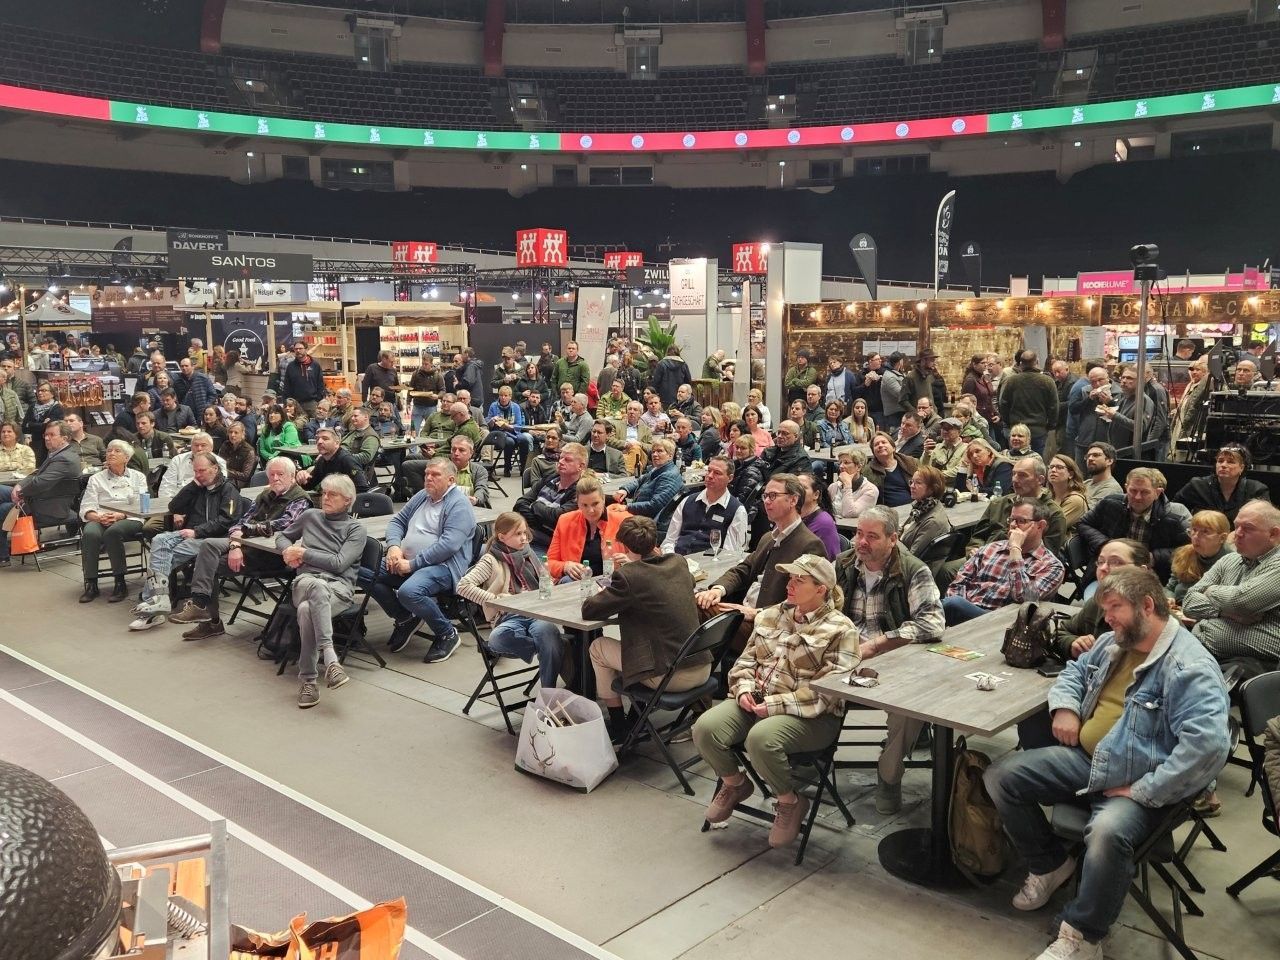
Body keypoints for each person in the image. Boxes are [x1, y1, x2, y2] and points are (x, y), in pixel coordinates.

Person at [984, 567, 1229, 960]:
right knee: (1001, 776)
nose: (1108, 616)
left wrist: (1146, 789)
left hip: (1140, 781)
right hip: (1089, 761)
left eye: (1115, 607)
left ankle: (1082, 936)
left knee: (1106, 833)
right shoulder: (1113, 642)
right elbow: (1073, 674)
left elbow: (1209, 748)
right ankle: (1050, 864)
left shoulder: (1189, 667)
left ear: (1147, 606)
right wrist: (1065, 708)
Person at [693, 553, 859, 847]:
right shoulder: (770, 615)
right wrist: (744, 690)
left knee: (761, 738)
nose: (789, 584)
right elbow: (743, 663)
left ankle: (789, 801)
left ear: (821, 589)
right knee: (705, 728)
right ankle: (734, 783)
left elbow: (828, 692)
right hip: (758, 702)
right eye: (790, 577)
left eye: (799, 580)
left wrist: (772, 705)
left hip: (812, 716)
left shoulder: (841, 629)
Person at [835, 506, 946, 813]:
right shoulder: (844, 564)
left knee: (911, 705)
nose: (861, 542)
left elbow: (933, 623)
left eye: (872, 536)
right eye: (859, 534)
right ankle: (807, 755)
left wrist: (880, 643)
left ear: (893, 539)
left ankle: (889, 773)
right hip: (844, 652)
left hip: (892, 657)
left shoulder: (912, 570)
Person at [581, 515, 708, 740]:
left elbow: (589, 610)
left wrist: (607, 591)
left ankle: (619, 724)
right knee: (640, 642)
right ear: (654, 541)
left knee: (598, 647)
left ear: (624, 545)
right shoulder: (678, 562)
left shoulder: (629, 576)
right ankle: (636, 717)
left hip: (669, 676)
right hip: (701, 665)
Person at [167, 456, 310, 641]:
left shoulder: (300, 499)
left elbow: (285, 524)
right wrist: (236, 542)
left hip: (269, 555)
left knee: (208, 566)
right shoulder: (264, 496)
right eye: (272, 474)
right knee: (209, 545)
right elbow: (241, 521)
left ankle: (210, 622)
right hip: (246, 544)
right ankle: (200, 606)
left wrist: (243, 533)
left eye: (280, 474)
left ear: (292, 476)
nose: (275, 478)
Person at [367, 457, 477, 660]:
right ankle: (405, 617)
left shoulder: (459, 505)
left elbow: (448, 546)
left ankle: (446, 633)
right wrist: (393, 547)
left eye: (435, 475)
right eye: (427, 474)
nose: (428, 478)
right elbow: (397, 521)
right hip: (407, 561)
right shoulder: (422, 496)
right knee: (362, 571)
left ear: (451, 480)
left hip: (443, 567)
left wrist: (412, 564)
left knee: (409, 592)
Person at [275, 474, 368, 708]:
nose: (325, 498)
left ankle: (308, 681)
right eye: (324, 493)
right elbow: (282, 536)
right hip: (306, 582)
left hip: (339, 590)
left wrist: (303, 554)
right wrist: (287, 551)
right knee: (315, 586)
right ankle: (330, 658)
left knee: (306, 610)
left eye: (332, 494)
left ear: (348, 500)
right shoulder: (310, 517)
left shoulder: (356, 530)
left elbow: (338, 563)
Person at [695, 474, 825, 630]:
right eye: (765, 496)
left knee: (693, 611)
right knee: (699, 600)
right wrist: (718, 590)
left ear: (793, 500)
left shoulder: (810, 545)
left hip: (770, 625)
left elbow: (805, 602)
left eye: (773, 496)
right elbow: (744, 569)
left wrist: (756, 613)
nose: (766, 501)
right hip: (743, 613)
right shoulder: (768, 538)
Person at [129, 453, 243, 630]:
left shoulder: (229, 490)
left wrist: (197, 531)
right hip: (189, 533)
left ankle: (154, 607)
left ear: (215, 468)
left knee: (161, 558)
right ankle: (159, 601)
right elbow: (174, 507)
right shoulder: (197, 487)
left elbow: (227, 520)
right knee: (159, 539)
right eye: (195, 471)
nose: (198, 475)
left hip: (211, 538)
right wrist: (193, 485)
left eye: (202, 471)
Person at [458, 511, 567, 691]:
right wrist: (496, 600)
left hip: (536, 612)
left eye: (525, 533)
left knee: (547, 630)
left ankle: (548, 693)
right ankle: (546, 647)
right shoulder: (491, 559)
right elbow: (463, 586)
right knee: (497, 639)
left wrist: (550, 585)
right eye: (518, 534)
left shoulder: (528, 553)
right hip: (508, 616)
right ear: (502, 537)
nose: (524, 538)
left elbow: (545, 580)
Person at [1181, 499, 1280, 669]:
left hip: (1257, 667)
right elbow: (1188, 602)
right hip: (1206, 656)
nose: (1237, 534)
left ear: (1273, 534)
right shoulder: (1229, 560)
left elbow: (1242, 602)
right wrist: (1223, 613)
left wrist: (1211, 591)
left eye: (1248, 528)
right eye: (1237, 526)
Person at [942, 497, 1065, 624]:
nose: (1012, 525)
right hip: (967, 612)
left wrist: (1015, 550)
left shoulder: (1052, 566)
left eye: (1021, 521)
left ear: (1040, 526)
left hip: (1001, 622)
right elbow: (958, 584)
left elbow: (1022, 598)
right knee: (942, 602)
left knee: (951, 604)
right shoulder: (990, 548)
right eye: (1011, 520)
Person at [1076, 467, 1190, 582]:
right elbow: (1084, 523)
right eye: (1133, 491)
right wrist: (1105, 544)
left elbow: (1189, 548)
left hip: (1154, 577)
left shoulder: (1175, 515)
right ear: (1126, 488)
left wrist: (1154, 557)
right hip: (1109, 573)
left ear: (1157, 493)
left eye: (1145, 492)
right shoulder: (1110, 503)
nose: (1137, 497)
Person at [76, 439, 148, 602]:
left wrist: (120, 515)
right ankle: (92, 584)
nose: (111, 454)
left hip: (130, 517)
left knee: (113, 533)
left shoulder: (138, 477)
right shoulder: (96, 479)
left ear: (127, 458)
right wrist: (98, 517)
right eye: (109, 451)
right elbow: (86, 507)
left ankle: (120, 582)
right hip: (100, 517)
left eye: (117, 451)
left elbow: (142, 504)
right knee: (90, 533)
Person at [547, 476, 630, 581]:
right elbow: (549, 563)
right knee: (566, 580)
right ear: (577, 503)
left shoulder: (624, 520)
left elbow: (650, 556)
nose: (591, 510)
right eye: (584, 505)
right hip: (578, 582)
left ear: (603, 499)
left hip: (615, 581)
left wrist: (631, 561)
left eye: (595, 504)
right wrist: (565, 566)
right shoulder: (565, 521)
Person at [1173, 442, 1271, 525]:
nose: (1223, 465)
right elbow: (1174, 511)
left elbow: (1265, 523)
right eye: (1220, 461)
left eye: (1230, 462)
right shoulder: (1197, 485)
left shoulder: (1256, 490)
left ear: (1242, 467)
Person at [515, 442, 588, 543]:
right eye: (560, 458)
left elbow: (557, 517)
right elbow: (520, 502)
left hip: (552, 542)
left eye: (567, 460)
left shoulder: (581, 491)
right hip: (529, 532)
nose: (561, 462)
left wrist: (535, 505)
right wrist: (537, 522)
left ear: (581, 466)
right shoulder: (550, 479)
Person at [997, 351, 1059, 457]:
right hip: (1038, 430)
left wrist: (1008, 423)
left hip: (1017, 430)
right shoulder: (1047, 381)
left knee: (1016, 461)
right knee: (1036, 462)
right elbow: (1054, 406)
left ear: (1021, 363)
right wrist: (1050, 425)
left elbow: (1003, 404)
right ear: (1037, 362)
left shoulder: (1012, 381)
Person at [1167, 510, 1232, 606]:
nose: (1196, 536)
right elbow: (1170, 588)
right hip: (1179, 611)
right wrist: (1169, 598)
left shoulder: (1232, 562)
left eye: (1205, 532)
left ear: (1222, 538)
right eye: (1194, 530)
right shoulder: (1184, 554)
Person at [613, 437, 682, 518]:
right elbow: (639, 481)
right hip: (639, 512)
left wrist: (627, 507)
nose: (655, 454)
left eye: (660, 451)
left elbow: (655, 506)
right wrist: (625, 490)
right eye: (653, 452)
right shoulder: (657, 469)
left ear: (670, 456)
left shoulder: (669, 475)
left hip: (647, 521)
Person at [296, 427, 369, 494]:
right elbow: (310, 485)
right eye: (317, 439)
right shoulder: (322, 460)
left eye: (325, 439)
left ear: (336, 443)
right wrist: (302, 478)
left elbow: (362, 488)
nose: (319, 442)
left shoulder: (346, 460)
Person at [157, 433, 227, 501]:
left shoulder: (219, 463)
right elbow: (166, 486)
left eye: (203, 445)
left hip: (206, 502)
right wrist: (168, 508)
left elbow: (221, 488)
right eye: (196, 445)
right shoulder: (178, 460)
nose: (199, 449)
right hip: (179, 502)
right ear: (191, 446)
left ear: (211, 448)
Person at [1070, 366, 1118, 465]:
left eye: (1100, 380)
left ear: (1107, 378)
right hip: (1084, 440)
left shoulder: (1119, 392)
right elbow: (1073, 409)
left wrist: (1110, 402)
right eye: (1093, 382)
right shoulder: (1084, 390)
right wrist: (1088, 399)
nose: (1097, 384)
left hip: (1107, 443)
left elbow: (1121, 415)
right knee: (1081, 473)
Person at [900, 465, 951, 556]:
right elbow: (902, 529)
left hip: (916, 568)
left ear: (932, 489)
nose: (912, 486)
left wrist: (892, 541)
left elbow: (912, 558)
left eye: (918, 483)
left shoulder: (933, 521)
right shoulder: (922, 506)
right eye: (911, 482)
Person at [483, 385, 533, 476]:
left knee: (524, 440)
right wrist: (493, 420)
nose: (503, 398)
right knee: (509, 442)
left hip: (513, 431)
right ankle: (507, 467)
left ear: (510, 397)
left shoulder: (516, 407)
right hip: (499, 433)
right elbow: (487, 422)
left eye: (506, 396)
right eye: (501, 395)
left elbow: (519, 425)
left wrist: (509, 426)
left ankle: (523, 467)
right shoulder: (493, 406)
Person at [865, 431, 917, 508]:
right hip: (887, 512)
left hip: (913, 506)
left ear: (893, 448)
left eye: (884, 442)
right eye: (876, 444)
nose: (880, 445)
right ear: (873, 453)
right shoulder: (868, 471)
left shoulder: (909, 462)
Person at [796, 471, 840, 559]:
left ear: (816, 494)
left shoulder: (824, 523)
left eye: (803, 488)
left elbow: (824, 564)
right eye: (795, 487)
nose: (797, 491)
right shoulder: (791, 517)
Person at [828, 448, 879, 520]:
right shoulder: (833, 487)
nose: (841, 466)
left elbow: (849, 513)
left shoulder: (870, 490)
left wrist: (847, 486)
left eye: (846, 463)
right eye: (840, 463)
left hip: (852, 530)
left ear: (859, 467)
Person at [23, 380, 66, 465]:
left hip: (51, 444)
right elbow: (24, 426)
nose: (40, 393)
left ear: (52, 393)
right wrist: (42, 424)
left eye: (44, 390)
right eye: (38, 391)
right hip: (34, 444)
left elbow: (50, 427)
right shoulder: (32, 407)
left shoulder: (57, 408)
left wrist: (31, 425)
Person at [1048, 453, 1089, 533]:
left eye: (1059, 467)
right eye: (1051, 467)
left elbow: (1052, 527)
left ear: (1070, 474)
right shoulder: (1049, 495)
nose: (1053, 470)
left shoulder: (1075, 500)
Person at [281, 341, 326, 415]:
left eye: (300, 348)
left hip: (312, 404)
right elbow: (287, 387)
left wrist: (318, 400)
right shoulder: (290, 366)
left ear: (306, 349)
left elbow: (320, 384)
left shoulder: (315, 365)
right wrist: (287, 403)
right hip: (295, 404)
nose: (298, 351)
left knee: (313, 425)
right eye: (296, 349)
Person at [922, 417, 969, 482]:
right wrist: (926, 453)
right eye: (943, 428)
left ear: (959, 432)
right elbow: (923, 467)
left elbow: (959, 470)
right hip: (933, 486)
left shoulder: (966, 449)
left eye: (949, 429)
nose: (945, 431)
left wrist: (935, 475)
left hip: (952, 487)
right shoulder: (936, 447)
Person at [216, 420, 257, 489]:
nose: (232, 435)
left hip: (240, 481)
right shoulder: (225, 445)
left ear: (242, 434)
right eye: (230, 432)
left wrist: (227, 472)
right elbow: (219, 463)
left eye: (236, 433)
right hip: (224, 476)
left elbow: (245, 476)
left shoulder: (249, 451)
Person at [522, 426, 561, 492]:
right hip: (546, 492)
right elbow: (535, 485)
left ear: (559, 441)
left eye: (554, 438)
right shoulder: (538, 460)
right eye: (548, 437)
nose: (550, 440)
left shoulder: (564, 458)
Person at [878, 351, 908, 431]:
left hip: (900, 414)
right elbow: (900, 394)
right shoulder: (890, 377)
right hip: (894, 416)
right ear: (900, 362)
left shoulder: (897, 374)